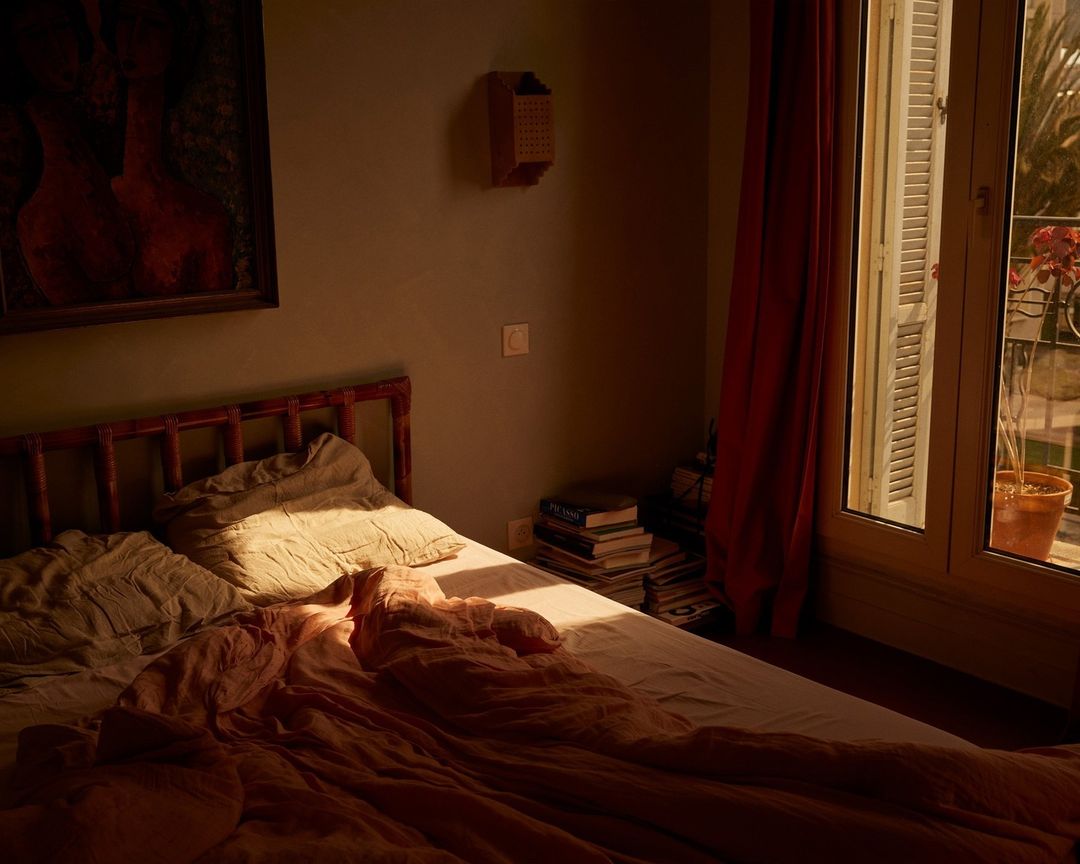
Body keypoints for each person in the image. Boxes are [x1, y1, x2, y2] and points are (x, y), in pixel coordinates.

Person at [1, 0, 135, 306]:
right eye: (36, 37)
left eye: (61, 28)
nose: (57, 50)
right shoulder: (38, 208)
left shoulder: (97, 134)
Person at [101, 0, 233, 296]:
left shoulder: (205, 220)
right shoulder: (93, 199)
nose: (135, 38)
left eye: (153, 24)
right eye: (126, 20)